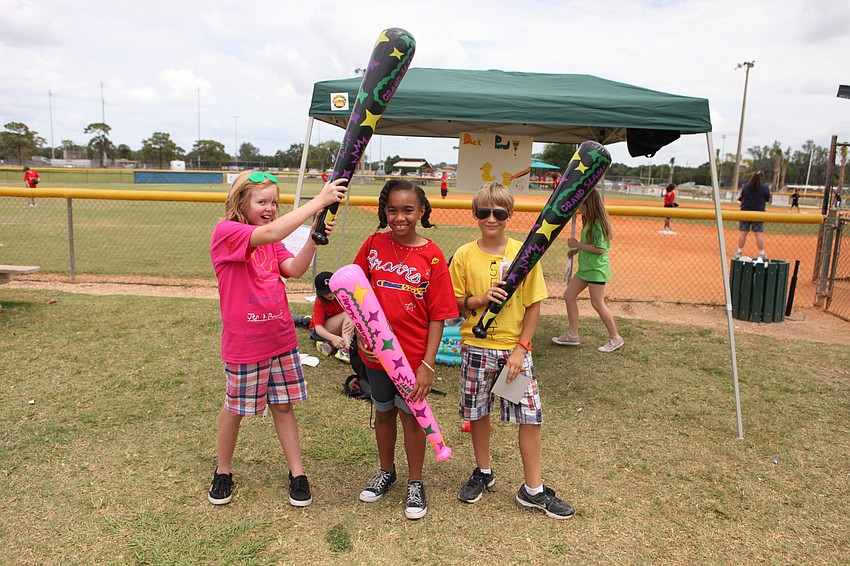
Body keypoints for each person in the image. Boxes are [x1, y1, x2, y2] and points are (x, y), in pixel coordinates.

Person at [207, 170, 347, 506]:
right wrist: (320, 201)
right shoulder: (228, 233)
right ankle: (222, 471)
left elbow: (294, 270)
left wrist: (314, 238)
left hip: (280, 339)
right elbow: (270, 231)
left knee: (284, 407)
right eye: (262, 201)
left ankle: (297, 473)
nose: (270, 208)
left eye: (274, 202)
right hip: (245, 343)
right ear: (241, 202)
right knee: (234, 409)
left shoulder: (273, 242)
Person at [450, 182, 575, 520]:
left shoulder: (525, 253)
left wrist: (522, 348)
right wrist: (478, 300)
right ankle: (483, 471)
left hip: (512, 354)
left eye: (499, 213)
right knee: (477, 413)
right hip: (476, 348)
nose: (491, 218)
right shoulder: (464, 255)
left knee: (530, 416)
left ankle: (532, 490)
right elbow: (453, 301)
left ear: (509, 215)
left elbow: (533, 305)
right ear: (475, 215)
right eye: (484, 212)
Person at [353, 178, 457, 520]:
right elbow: (354, 293)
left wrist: (428, 364)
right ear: (384, 211)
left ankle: (415, 481)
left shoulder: (432, 256)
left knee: (412, 419)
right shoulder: (372, 245)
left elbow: (440, 315)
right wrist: (363, 336)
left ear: (422, 211)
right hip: (376, 356)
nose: (400, 217)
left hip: (413, 358)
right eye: (392, 209)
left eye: (408, 210)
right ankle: (386, 471)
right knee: (383, 411)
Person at [552, 189, 624, 353]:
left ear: (588, 204)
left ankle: (615, 337)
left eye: (581, 203)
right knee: (569, 296)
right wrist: (576, 250)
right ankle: (573, 334)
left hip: (596, 270)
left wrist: (577, 245)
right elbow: (589, 244)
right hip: (585, 269)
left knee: (597, 303)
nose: (579, 207)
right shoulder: (589, 221)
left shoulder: (598, 224)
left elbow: (600, 249)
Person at [310, 270, 354, 363]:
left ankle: (330, 345)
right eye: (325, 293)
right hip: (320, 332)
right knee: (348, 314)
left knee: (351, 315)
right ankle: (346, 349)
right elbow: (318, 328)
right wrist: (333, 338)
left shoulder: (345, 294)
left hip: (338, 329)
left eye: (331, 291)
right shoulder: (320, 301)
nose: (329, 294)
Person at [732, 171, 771, 260]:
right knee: (758, 234)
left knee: (743, 233)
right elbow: (767, 199)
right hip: (758, 213)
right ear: (762, 178)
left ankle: (739, 251)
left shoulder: (745, 187)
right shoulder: (765, 187)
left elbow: (741, 198)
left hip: (745, 212)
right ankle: (761, 253)